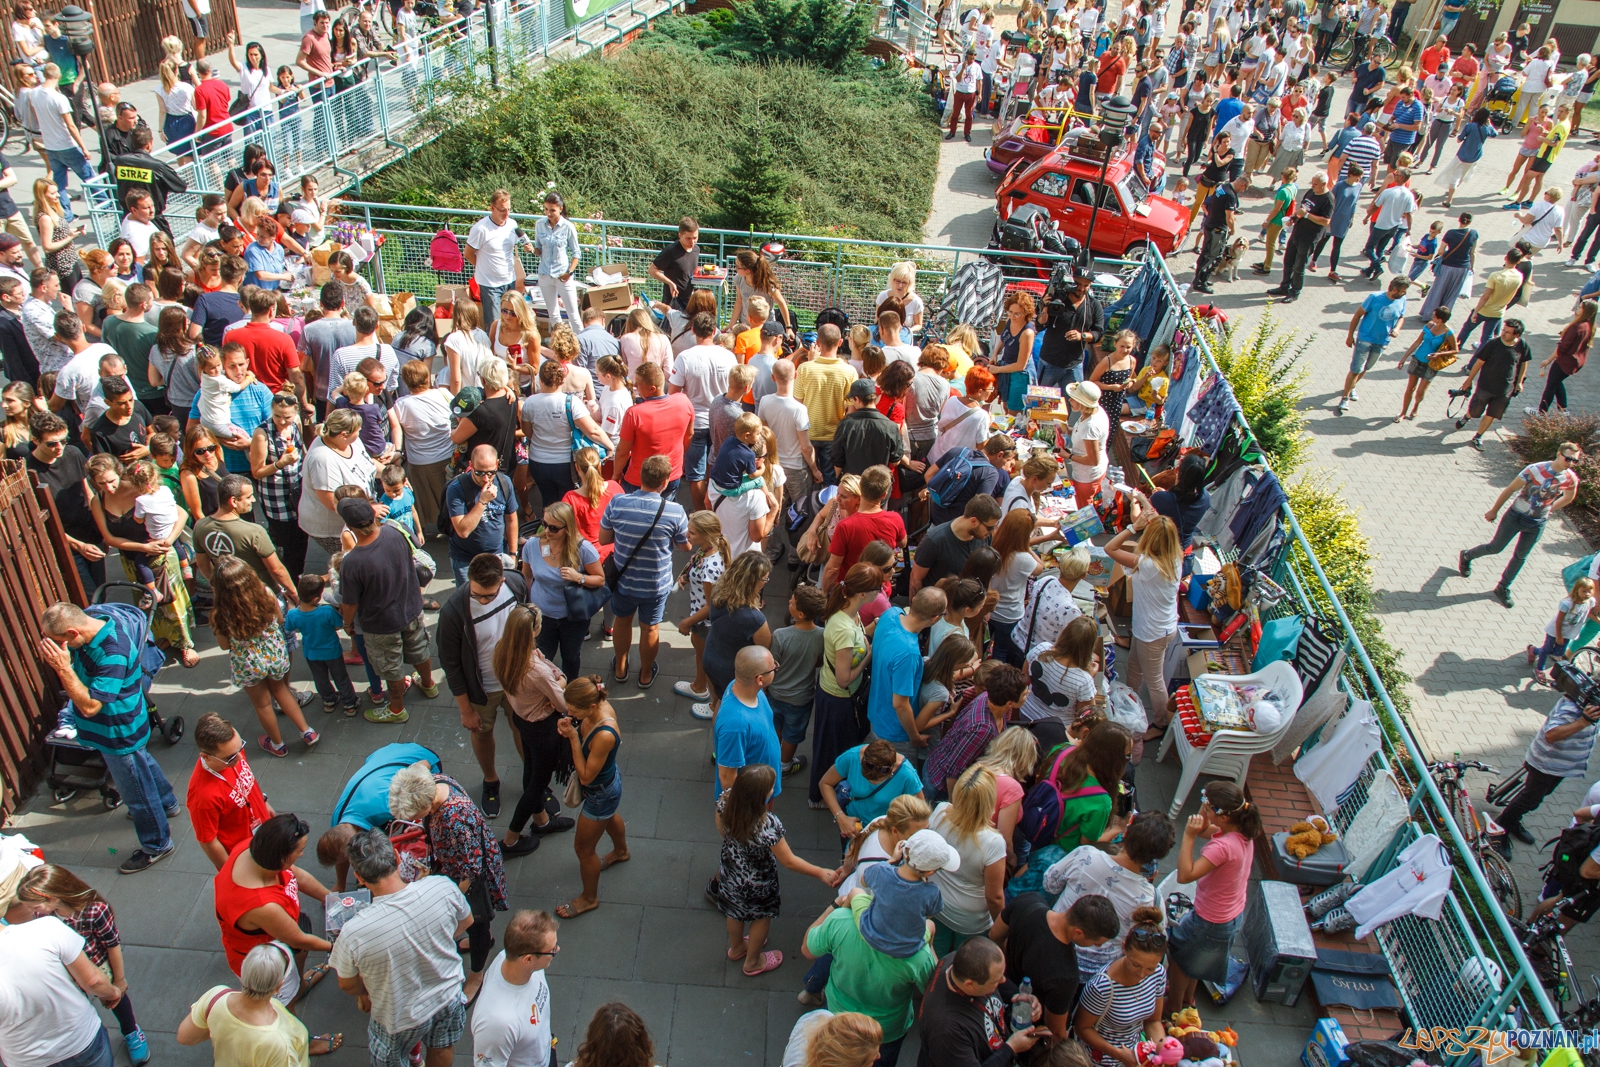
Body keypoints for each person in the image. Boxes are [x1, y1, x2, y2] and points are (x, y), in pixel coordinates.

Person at [38, 600, 178, 874]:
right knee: (142, 762)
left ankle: (157, 844)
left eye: (56, 642)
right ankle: (168, 802)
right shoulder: (93, 621)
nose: (55, 649)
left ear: (72, 634)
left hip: (118, 733)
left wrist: (64, 669)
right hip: (125, 725)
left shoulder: (112, 653)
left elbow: (91, 706)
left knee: (136, 794)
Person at [330, 828, 474, 1067]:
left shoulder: (354, 932)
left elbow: (346, 982)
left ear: (359, 877)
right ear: (397, 858)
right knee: (442, 1046)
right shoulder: (442, 887)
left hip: (397, 1015)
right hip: (446, 995)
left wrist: (364, 993)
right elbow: (466, 921)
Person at [386, 763, 507, 1001]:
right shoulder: (435, 782)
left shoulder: (454, 820)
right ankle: (480, 940)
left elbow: (471, 872)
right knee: (473, 925)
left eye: (414, 816)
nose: (413, 820)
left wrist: (450, 902)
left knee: (476, 922)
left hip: (471, 877)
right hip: (457, 862)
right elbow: (421, 765)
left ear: (429, 806)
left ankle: (477, 974)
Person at [14, 864, 151, 1065]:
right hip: (65, 971)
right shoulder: (43, 915)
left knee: (117, 999)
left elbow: (112, 945)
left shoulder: (95, 910)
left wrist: (119, 980)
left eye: (34, 907)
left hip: (97, 965)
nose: (32, 912)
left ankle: (131, 1031)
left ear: (53, 897)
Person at [713, 763, 841, 977]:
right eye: (771, 788)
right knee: (761, 917)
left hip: (731, 868)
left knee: (733, 911)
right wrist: (819, 872)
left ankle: (736, 948)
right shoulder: (767, 824)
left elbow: (721, 829)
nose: (773, 789)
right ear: (760, 797)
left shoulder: (725, 799)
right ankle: (753, 961)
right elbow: (789, 860)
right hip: (758, 880)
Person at [800, 878, 937, 1067]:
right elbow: (932, 989)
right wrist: (929, 941)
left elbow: (807, 949)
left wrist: (835, 905)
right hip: (886, 1031)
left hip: (839, 1015)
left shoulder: (841, 921)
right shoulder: (918, 954)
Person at [338, 495, 441, 723]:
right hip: (412, 608)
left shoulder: (352, 562)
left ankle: (396, 709)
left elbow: (350, 602)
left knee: (392, 667)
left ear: (350, 526)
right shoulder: (396, 531)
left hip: (381, 623)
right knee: (419, 649)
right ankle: (428, 685)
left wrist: (347, 624)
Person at [213, 813, 332, 1007]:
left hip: (283, 931)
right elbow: (298, 939)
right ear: (281, 858)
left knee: (300, 950)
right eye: (299, 851)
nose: (301, 855)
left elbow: (297, 876)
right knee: (283, 1005)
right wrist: (339, 947)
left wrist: (332, 899)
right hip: (266, 963)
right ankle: (303, 1037)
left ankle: (299, 985)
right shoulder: (262, 905)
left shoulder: (252, 848)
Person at [490, 603, 577, 856]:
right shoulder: (536, 669)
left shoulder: (503, 651)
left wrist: (554, 680)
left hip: (522, 722)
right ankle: (510, 840)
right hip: (543, 730)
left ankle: (542, 822)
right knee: (537, 785)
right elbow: (562, 701)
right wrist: (560, 680)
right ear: (534, 631)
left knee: (531, 772)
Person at [1046, 811, 1176, 980]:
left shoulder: (1085, 856)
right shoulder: (1151, 899)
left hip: (1055, 943)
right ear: (1156, 857)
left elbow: (1050, 884)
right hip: (1098, 975)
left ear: (1127, 832)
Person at [210, 556, 320, 757]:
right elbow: (279, 619)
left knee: (262, 704)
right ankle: (308, 732)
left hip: (248, 663)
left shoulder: (220, 613)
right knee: (281, 690)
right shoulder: (266, 593)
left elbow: (224, 645)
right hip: (274, 653)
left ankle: (278, 745)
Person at [0, 897, 128, 1067]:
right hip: (80, 1039)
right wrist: (114, 992)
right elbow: (93, 980)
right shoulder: (46, 928)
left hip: (27, 1058)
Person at [601, 453, 690, 687]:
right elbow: (685, 546)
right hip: (655, 583)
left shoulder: (617, 503)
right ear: (665, 482)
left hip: (624, 580)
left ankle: (620, 667)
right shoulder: (675, 511)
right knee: (650, 628)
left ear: (640, 477)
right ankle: (646, 674)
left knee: (622, 621)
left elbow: (603, 538)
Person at [1458, 440, 1581, 609]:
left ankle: (1503, 586)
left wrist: (1549, 509)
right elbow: (1511, 489)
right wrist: (1494, 510)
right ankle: (1467, 556)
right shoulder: (1535, 469)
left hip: (1537, 523)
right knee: (1496, 547)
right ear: (1559, 454)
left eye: (1575, 461)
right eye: (1569, 459)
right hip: (1515, 517)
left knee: (1521, 556)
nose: (1571, 463)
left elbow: (1568, 497)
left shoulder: (1569, 478)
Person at [988, 892, 1120, 1040]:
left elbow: (994, 936)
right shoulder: (1066, 974)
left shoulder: (1028, 900)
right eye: (1096, 943)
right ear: (1078, 932)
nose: (1098, 946)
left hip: (998, 995)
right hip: (1026, 1026)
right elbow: (1055, 1030)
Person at [318, 743, 443, 890]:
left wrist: (418, 821)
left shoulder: (388, 803)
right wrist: (340, 885)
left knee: (421, 816)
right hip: (386, 755)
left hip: (423, 758)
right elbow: (341, 858)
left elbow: (424, 766)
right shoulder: (338, 823)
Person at [554, 676, 629, 918]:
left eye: (574, 710)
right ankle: (620, 851)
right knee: (609, 816)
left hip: (599, 792)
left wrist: (573, 737)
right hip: (608, 784)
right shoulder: (599, 706)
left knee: (584, 849)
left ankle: (589, 898)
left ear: (592, 707)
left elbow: (585, 777)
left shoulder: (605, 734)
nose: (570, 714)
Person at [1103, 515, 1183, 739]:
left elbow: (1110, 548)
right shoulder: (1174, 558)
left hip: (1152, 633)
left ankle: (1160, 723)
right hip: (1158, 627)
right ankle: (1128, 704)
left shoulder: (1148, 565)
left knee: (1154, 680)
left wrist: (1132, 527)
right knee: (1134, 666)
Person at [919, 937, 1048, 1067]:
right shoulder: (945, 1031)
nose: (1003, 981)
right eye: (995, 981)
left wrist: (1020, 998)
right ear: (969, 985)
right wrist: (1011, 1048)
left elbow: (1001, 985)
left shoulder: (959, 962)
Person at [1073, 908, 1169, 1066]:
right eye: (1136, 965)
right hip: (1101, 1060)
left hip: (1138, 1056)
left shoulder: (1158, 974)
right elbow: (1082, 1028)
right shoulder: (1102, 987)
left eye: (1150, 968)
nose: (1142, 974)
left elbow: (1153, 1021)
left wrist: (1161, 1048)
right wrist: (1119, 1054)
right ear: (1124, 948)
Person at [470, 910, 560, 1067]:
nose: (557, 950)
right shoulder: (497, 1023)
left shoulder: (513, 957)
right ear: (528, 959)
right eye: (552, 950)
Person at [186, 711, 273, 870]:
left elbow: (247, 779)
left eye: (241, 747)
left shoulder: (233, 752)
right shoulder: (202, 796)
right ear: (206, 757)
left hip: (264, 835)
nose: (240, 757)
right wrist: (230, 873)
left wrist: (263, 802)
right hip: (245, 857)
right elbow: (208, 842)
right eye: (231, 757)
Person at [1452, 317, 1534, 454]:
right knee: (1476, 411)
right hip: (1485, 386)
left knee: (1491, 414)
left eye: (1507, 332)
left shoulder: (1522, 345)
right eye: (1503, 330)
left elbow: (1524, 362)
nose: (1503, 333)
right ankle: (1467, 416)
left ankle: (1478, 436)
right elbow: (1479, 362)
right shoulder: (1493, 344)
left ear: (1517, 335)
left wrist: (1519, 381)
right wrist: (1469, 380)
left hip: (1505, 390)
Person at [1336, 275, 1409, 414]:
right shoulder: (1375, 298)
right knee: (1356, 369)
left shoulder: (1402, 300)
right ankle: (1344, 398)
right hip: (1365, 339)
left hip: (1382, 342)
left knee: (1367, 367)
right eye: (1402, 291)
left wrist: (1397, 329)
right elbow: (1357, 315)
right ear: (1394, 289)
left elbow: (1401, 317)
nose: (1404, 293)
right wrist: (1350, 335)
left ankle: (1352, 387)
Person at [466, 189, 530, 318]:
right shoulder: (481, 229)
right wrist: (484, 268)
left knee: (511, 319)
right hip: (490, 285)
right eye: (502, 210)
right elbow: (468, 253)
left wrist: (528, 247)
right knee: (494, 323)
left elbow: (519, 243)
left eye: (508, 209)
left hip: (509, 280)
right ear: (492, 208)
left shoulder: (512, 224)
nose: (506, 213)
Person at [1532, 301, 1598, 416]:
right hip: (1576, 362)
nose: (1577, 308)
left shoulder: (1576, 327)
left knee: (1551, 386)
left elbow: (1562, 348)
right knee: (1557, 382)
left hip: (1565, 362)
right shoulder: (1589, 326)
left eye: (1581, 307)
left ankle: (1541, 412)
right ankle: (1563, 409)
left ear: (1585, 311)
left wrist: (1548, 360)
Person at [1394, 308, 1459, 422]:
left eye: (1434, 316)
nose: (1432, 317)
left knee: (1420, 392)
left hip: (1431, 365)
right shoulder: (1429, 325)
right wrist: (1404, 358)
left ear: (1440, 319)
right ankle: (1403, 412)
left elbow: (1455, 350)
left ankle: (1415, 407)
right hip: (1417, 360)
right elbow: (1417, 342)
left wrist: (1439, 354)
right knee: (1410, 388)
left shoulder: (1449, 333)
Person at [1532, 576, 1596, 685]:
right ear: (1577, 590)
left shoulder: (1590, 601)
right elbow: (1559, 621)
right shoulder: (1567, 604)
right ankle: (1539, 669)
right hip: (1556, 631)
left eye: (1590, 591)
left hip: (1568, 633)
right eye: (1584, 591)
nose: (1587, 594)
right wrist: (1558, 636)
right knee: (1547, 649)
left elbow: (1589, 613)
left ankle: (1534, 650)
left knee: (1559, 652)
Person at [647, 216, 699, 311]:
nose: (692, 241)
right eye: (688, 238)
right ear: (680, 235)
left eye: (695, 238)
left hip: (689, 301)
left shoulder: (696, 250)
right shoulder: (670, 251)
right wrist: (670, 283)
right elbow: (652, 270)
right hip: (673, 302)